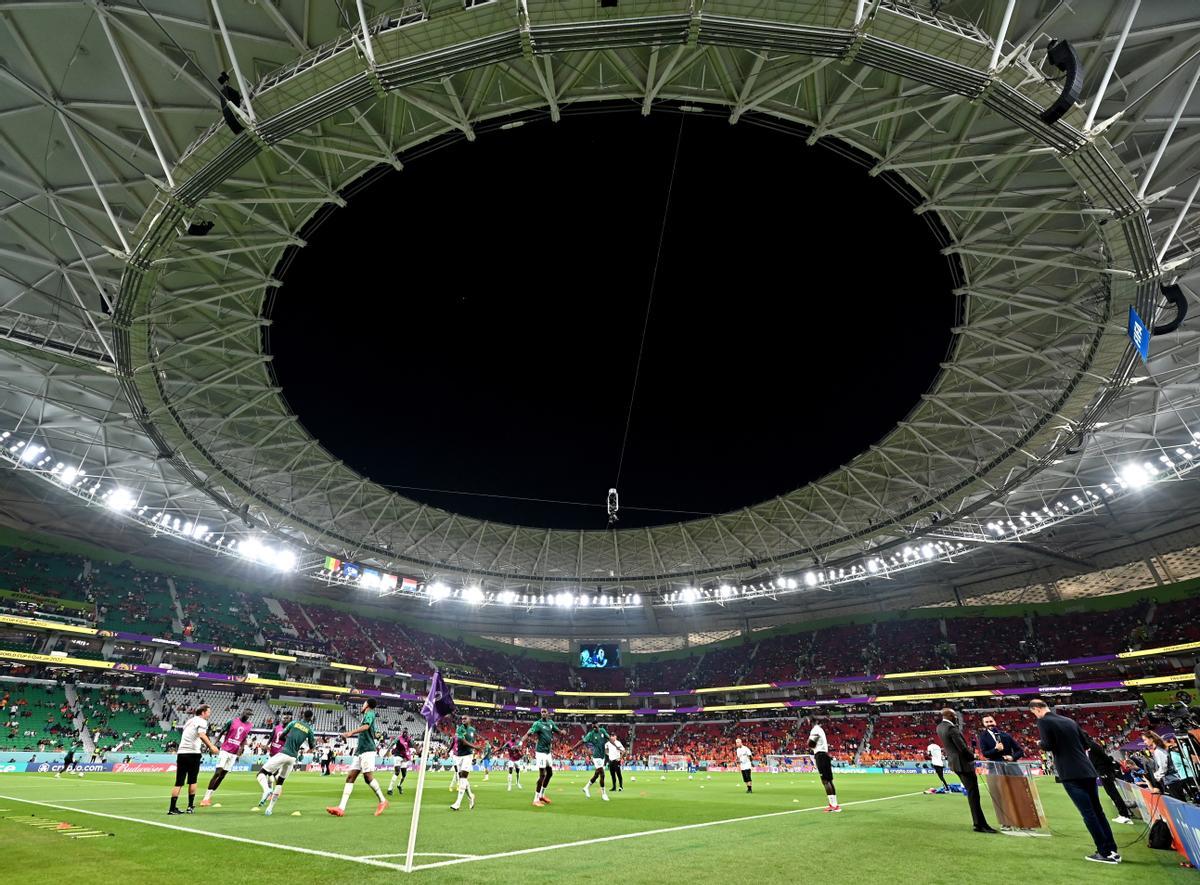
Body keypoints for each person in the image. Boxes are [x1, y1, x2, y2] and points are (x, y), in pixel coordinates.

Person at [1029, 698, 1120, 864]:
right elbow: (1087, 743)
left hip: (1070, 773)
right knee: (1098, 811)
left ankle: (1104, 852)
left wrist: (1039, 743)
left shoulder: (1043, 722)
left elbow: (1048, 745)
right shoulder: (1069, 720)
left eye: (1033, 712)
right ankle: (1112, 849)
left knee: (1088, 813)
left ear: (1035, 709)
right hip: (1087, 770)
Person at [936, 707, 996, 833]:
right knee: (974, 795)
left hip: (955, 764)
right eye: (954, 715)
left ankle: (979, 823)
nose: (956, 717)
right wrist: (972, 757)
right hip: (963, 764)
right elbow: (962, 748)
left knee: (971, 794)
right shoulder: (951, 728)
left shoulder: (940, 727)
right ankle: (980, 824)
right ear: (951, 716)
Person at [327, 699, 388, 817]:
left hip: (367, 750)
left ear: (367, 705)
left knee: (368, 777)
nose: (362, 705)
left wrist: (350, 733)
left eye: (364, 703)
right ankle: (341, 808)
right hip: (360, 751)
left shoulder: (370, 713)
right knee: (350, 777)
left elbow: (366, 726)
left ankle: (382, 801)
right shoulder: (366, 714)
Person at [257, 709, 315, 817]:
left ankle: (266, 790)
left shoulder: (293, 723)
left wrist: (288, 738)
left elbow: (282, 736)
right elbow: (312, 746)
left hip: (284, 753)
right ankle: (269, 809)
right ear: (311, 718)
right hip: (293, 758)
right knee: (280, 782)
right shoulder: (309, 730)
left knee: (261, 773)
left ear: (302, 715)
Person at [170, 704, 220, 815]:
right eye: (208, 712)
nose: (209, 714)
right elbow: (201, 735)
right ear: (203, 712)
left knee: (179, 782)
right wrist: (211, 746)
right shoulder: (202, 721)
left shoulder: (189, 721)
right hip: (193, 753)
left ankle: (172, 809)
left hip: (181, 753)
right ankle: (190, 807)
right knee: (193, 781)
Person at [201, 707, 252, 806]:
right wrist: (213, 745)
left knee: (222, 776)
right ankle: (205, 798)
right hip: (225, 750)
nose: (247, 716)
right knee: (217, 773)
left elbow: (244, 738)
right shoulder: (232, 721)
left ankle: (210, 797)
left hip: (234, 753)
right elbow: (221, 733)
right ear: (242, 713)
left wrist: (241, 749)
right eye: (246, 714)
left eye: (249, 715)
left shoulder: (249, 726)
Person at [1083, 733, 1133, 824]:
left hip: (1104, 771)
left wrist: (1109, 768)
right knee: (1111, 793)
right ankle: (1123, 814)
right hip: (1102, 770)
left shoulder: (1092, 746)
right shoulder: (1090, 746)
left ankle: (1125, 815)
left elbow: (1104, 757)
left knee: (1113, 792)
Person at [523, 708, 559, 807]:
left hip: (548, 752)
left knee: (550, 773)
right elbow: (529, 732)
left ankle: (542, 795)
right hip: (540, 752)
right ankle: (535, 799)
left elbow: (557, 730)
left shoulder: (550, 723)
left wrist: (562, 732)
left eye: (545, 712)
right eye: (542, 712)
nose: (543, 713)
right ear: (541, 714)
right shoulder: (537, 724)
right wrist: (521, 741)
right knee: (542, 775)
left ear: (548, 713)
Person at [572, 719, 610, 801]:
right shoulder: (591, 734)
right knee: (602, 774)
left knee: (597, 774)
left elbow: (609, 738)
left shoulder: (602, 731)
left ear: (598, 725)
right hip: (596, 757)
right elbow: (582, 741)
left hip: (602, 756)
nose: (594, 727)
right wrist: (573, 748)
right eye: (593, 726)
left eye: (595, 725)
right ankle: (604, 794)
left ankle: (586, 787)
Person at [1142, 731, 1185, 801]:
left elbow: (1163, 768)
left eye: (1145, 740)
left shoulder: (1158, 751)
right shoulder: (1159, 750)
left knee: (1180, 802)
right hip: (1172, 780)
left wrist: (1156, 776)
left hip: (1172, 781)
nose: (1144, 742)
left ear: (1151, 739)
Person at [808, 717, 839, 812]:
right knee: (829, 780)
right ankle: (835, 804)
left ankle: (833, 805)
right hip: (825, 755)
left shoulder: (815, 730)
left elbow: (811, 744)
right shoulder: (820, 729)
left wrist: (808, 742)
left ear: (810, 721)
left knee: (825, 781)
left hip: (820, 755)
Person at [450, 715, 477, 811]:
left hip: (468, 756)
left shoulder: (473, 730)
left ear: (470, 720)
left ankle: (457, 803)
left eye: (465, 718)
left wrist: (474, 751)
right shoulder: (459, 729)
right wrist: (475, 747)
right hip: (459, 756)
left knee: (463, 778)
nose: (463, 720)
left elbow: (472, 741)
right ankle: (470, 796)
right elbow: (463, 742)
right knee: (462, 779)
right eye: (462, 719)